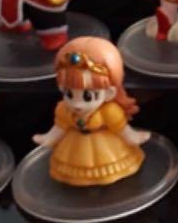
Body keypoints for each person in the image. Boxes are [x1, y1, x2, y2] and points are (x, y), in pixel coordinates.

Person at [33, 37, 150, 186]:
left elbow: (121, 129)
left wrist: (132, 137)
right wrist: (49, 138)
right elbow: (60, 127)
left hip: (106, 147)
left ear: (109, 93)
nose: (77, 104)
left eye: (88, 96)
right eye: (69, 94)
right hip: (74, 148)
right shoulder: (64, 109)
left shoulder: (109, 111)